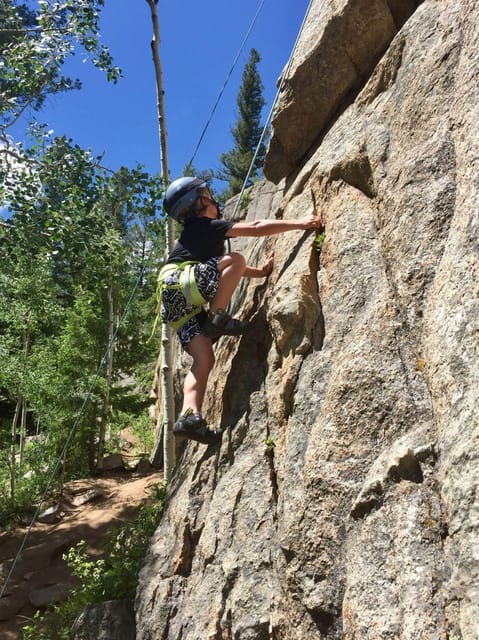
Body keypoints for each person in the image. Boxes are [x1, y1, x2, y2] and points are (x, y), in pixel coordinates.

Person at [159, 176, 323, 445]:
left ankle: (189, 417)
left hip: (175, 298)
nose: (213, 198)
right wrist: (301, 223)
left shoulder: (193, 238)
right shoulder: (206, 226)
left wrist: (259, 272)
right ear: (199, 202)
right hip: (183, 283)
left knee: (204, 359)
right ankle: (217, 316)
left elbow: (218, 266)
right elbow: (256, 228)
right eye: (207, 194)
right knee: (235, 258)